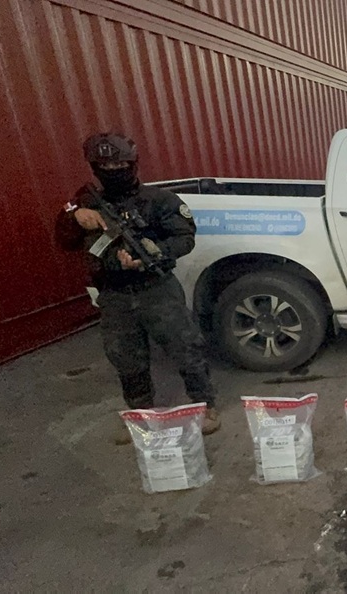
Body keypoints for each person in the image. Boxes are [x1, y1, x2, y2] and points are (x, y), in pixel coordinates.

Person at [56, 132, 220, 443]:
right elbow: (64, 239)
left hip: (156, 288)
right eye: (105, 166)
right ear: (94, 167)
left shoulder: (159, 200)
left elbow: (184, 238)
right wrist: (75, 216)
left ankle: (206, 406)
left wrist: (155, 252)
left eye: (120, 165)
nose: (113, 170)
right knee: (125, 357)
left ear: (132, 164)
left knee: (186, 347)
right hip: (114, 293)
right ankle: (140, 416)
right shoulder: (85, 201)